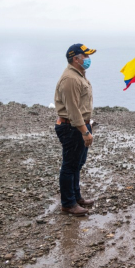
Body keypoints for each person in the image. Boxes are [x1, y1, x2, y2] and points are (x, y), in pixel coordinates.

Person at [54, 43, 97, 216]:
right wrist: (84, 131)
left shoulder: (79, 75)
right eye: (85, 56)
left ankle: (76, 197)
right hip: (71, 127)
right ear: (75, 59)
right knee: (70, 166)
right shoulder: (70, 79)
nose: (88, 59)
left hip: (80, 125)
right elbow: (72, 109)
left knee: (77, 164)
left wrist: (88, 125)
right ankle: (68, 204)